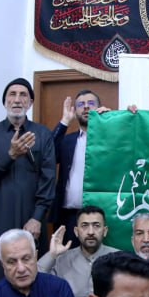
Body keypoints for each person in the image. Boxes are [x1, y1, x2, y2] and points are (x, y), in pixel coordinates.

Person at [0, 78, 57, 280]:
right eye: (12, 94)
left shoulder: (42, 134)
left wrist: (37, 217)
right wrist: (10, 156)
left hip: (32, 219)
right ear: (5, 101)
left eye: (23, 95)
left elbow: (48, 179)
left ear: (30, 102)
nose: (17, 99)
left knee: (33, 274)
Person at [39, 205, 119, 297]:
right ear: (76, 231)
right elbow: (35, 280)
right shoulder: (62, 260)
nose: (91, 232)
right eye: (84, 226)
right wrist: (52, 254)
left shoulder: (120, 259)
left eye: (96, 225)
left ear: (105, 230)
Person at [52, 89, 104, 245]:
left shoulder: (109, 139)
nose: (86, 107)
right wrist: (64, 121)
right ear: (75, 111)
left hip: (100, 217)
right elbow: (47, 154)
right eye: (81, 104)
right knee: (66, 258)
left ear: (99, 107)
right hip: (69, 217)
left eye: (91, 103)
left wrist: (111, 121)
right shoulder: (67, 141)